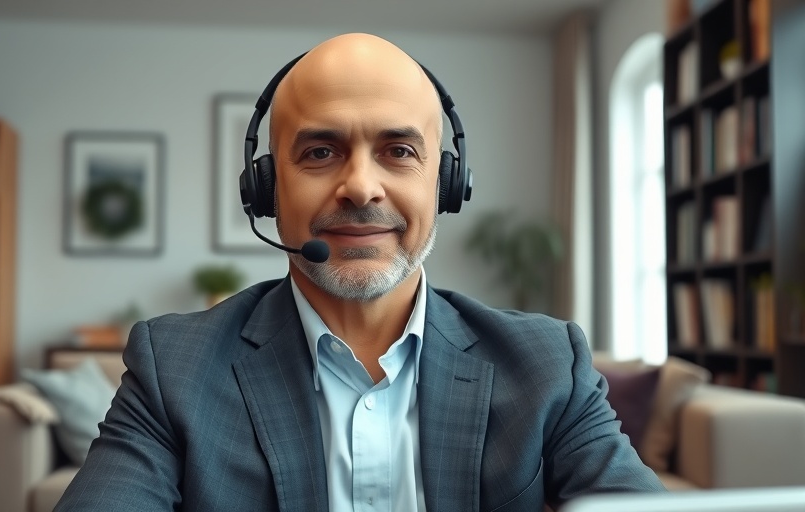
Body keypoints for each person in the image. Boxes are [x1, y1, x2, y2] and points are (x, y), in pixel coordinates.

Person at [56, 33, 664, 512]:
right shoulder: (174, 370)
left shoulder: (548, 365)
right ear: (267, 189)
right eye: (320, 152)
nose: (361, 187)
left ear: (445, 184)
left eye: (399, 151)